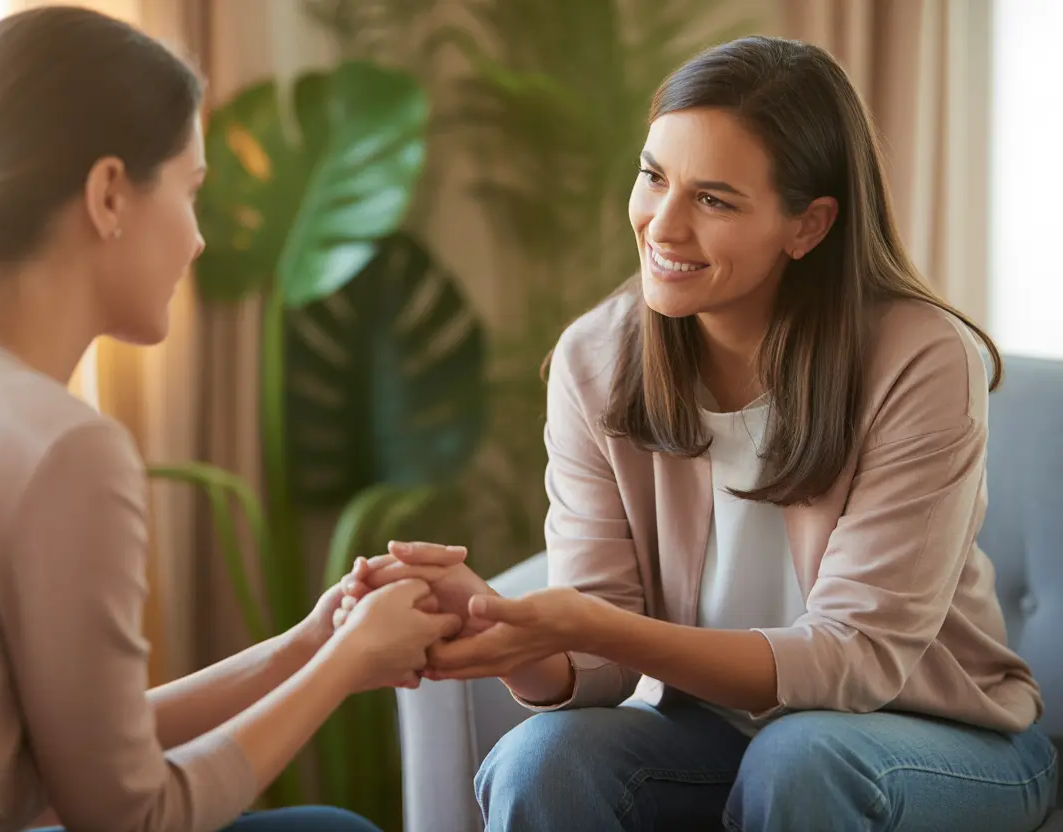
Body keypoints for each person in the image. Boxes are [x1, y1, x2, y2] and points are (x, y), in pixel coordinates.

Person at [338, 35, 1059, 832]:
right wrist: (506, 632)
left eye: (714, 200)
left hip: (940, 741)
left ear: (809, 226)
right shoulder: (597, 357)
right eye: (654, 176)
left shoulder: (918, 359)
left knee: (803, 756)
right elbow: (597, 657)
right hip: (719, 734)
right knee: (541, 758)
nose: (662, 225)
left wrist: (592, 623)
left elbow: (859, 658)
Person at [0, 7, 463, 832]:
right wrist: (344, 666)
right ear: (110, 193)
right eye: (191, 191)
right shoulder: (59, 449)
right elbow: (134, 817)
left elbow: (80, 758)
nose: (196, 240)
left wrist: (311, 646)